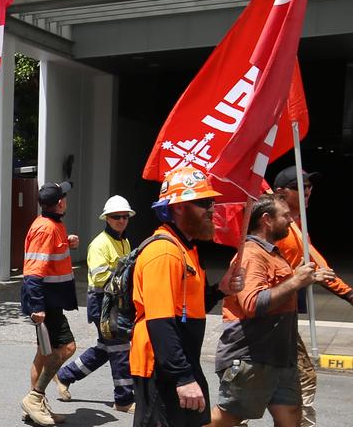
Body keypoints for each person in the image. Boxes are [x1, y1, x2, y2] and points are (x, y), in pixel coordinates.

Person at [131, 166, 244, 427]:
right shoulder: (164, 251)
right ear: (178, 207)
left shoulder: (187, 249)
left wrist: (219, 290)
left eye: (211, 202)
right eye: (202, 202)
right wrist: (182, 377)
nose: (211, 209)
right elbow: (160, 323)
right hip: (161, 368)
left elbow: (186, 309)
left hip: (178, 361)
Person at [209, 193, 334, 427]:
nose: (291, 221)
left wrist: (308, 278)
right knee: (228, 418)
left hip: (279, 356)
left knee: (290, 414)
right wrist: (296, 281)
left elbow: (280, 288)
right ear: (266, 219)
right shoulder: (252, 255)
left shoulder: (272, 253)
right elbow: (253, 304)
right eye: (285, 216)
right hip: (253, 357)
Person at [273, 166, 353, 427]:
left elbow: (316, 262)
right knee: (255, 392)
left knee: (298, 380)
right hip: (264, 319)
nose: (308, 190)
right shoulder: (272, 225)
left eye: (309, 186)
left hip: (283, 317)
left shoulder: (296, 225)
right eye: (300, 186)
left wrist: (348, 293)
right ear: (280, 194)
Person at [55, 195, 135, 412]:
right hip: (103, 303)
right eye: (116, 217)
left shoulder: (124, 241)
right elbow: (100, 276)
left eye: (124, 216)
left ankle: (64, 376)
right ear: (107, 219)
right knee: (119, 349)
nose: (121, 220)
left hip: (117, 302)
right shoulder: (99, 244)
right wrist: (127, 277)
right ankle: (124, 400)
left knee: (104, 349)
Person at [20, 181, 79, 426]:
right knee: (67, 348)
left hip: (48, 301)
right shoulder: (46, 229)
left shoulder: (52, 225)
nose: (66, 199)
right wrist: (37, 307)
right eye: (64, 196)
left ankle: (35, 407)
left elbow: (49, 257)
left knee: (43, 354)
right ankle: (34, 399)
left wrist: (67, 242)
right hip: (46, 302)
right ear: (60, 202)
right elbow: (33, 272)